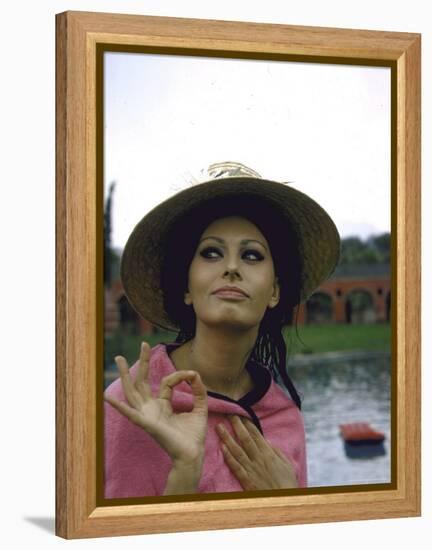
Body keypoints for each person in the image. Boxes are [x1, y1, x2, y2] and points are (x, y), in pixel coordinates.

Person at [104, 161, 340, 498]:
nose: (231, 267)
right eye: (211, 253)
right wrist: (185, 471)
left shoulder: (286, 418)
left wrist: (289, 498)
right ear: (187, 286)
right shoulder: (131, 405)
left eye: (252, 255)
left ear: (274, 292)